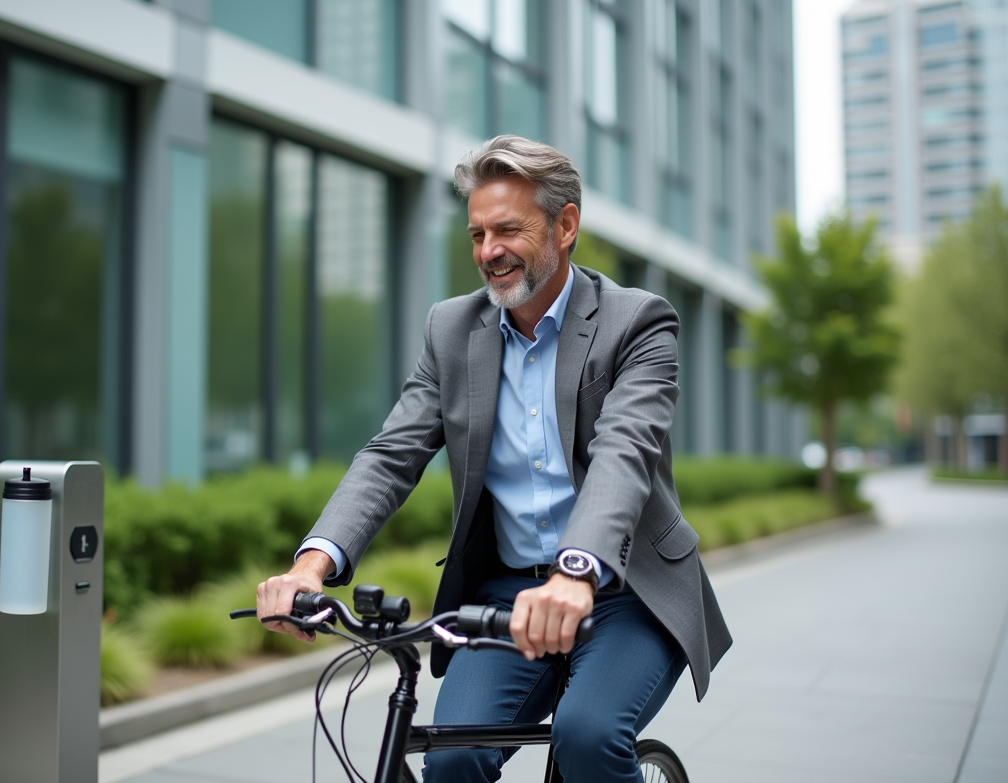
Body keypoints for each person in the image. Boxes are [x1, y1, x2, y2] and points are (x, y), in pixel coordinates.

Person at [257, 135, 731, 783]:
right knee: (451, 758)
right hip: (507, 597)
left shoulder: (636, 322)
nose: (489, 252)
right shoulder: (451, 330)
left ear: (565, 226)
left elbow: (625, 453)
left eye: (507, 230)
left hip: (627, 588)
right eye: (477, 234)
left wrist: (574, 573)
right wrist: (310, 567)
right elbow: (392, 454)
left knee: (587, 736)